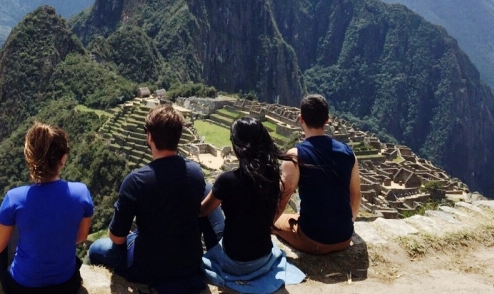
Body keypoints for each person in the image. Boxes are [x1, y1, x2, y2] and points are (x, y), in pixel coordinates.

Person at [88, 104, 219, 292]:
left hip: (147, 269)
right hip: (189, 263)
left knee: (95, 249)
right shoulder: (196, 173)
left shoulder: (135, 181)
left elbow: (117, 238)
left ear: (149, 136)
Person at [200, 117, 305, 293]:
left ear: (237, 146)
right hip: (264, 258)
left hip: (235, 262)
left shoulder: (228, 180)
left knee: (206, 192)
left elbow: (202, 211)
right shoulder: (271, 176)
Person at [0, 122, 94, 294]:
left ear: (29, 157)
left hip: (23, 288)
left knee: (8, 232)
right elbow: (81, 237)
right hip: (67, 284)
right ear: (63, 159)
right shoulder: (82, 193)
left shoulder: (14, 197)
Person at [273, 94, 361, 254]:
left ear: (301, 119)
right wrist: (345, 226)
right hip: (345, 237)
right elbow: (356, 196)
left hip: (314, 240)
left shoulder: (295, 155)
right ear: (327, 119)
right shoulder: (349, 153)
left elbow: (282, 199)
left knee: (278, 221)